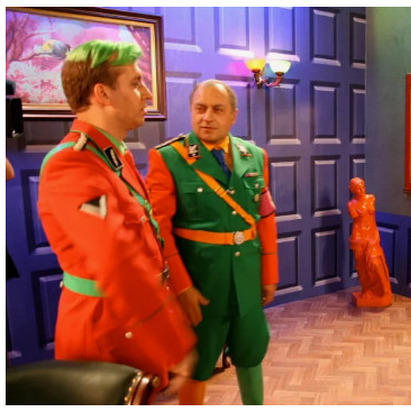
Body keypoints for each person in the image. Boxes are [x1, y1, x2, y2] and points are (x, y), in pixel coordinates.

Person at [37, 40, 197, 400]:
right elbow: (117, 259)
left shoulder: (112, 153)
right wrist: (173, 340)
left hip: (131, 324)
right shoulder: (72, 163)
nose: (146, 94)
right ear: (102, 93)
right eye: (136, 83)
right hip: (104, 337)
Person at [145, 80, 279, 405]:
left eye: (217, 109)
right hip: (201, 284)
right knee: (199, 363)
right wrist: (181, 287)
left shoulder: (254, 156)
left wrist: (269, 274)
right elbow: (159, 232)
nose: (207, 117)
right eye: (200, 108)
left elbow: (264, 217)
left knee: (251, 351)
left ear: (233, 115)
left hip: (246, 280)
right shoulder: (170, 158)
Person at [348, 177, 393, 308]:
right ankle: (366, 291)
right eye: (357, 188)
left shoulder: (371, 198)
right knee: (362, 266)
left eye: (362, 187)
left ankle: (383, 291)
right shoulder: (351, 204)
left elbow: (372, 218)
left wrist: (375, 234)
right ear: (352, 190)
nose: (360, 190)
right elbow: (356, 221)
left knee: (375, 263)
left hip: (372, 235)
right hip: (359, 236)